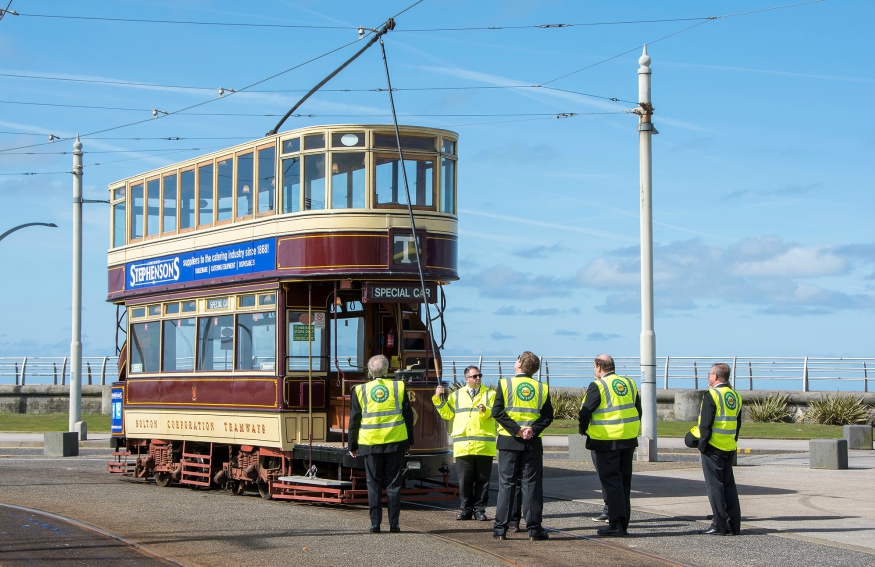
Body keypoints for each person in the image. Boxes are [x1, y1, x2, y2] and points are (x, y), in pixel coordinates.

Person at [348, 354, 414, 533]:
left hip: (370, 443)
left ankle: (375, 524)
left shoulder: (359, 390)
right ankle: (394, 524)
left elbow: (354, 420)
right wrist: (410, 442)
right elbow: (408, 416)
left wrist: (352, 445)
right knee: (394, 484)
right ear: (387, 370)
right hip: (396, 441)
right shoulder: (398, 386)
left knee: (373, 484)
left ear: (369, 371)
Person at [491, 351, 553, 541]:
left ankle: (501, 528)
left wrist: (517, 429)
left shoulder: (505, 383)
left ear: (519, 364)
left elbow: (497, 412)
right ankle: (534, 529)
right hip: (532, 442)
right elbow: (548, 416)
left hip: (509, 441)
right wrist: (532, 430)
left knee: (507, 485)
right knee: (531, 485)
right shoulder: (542, 387)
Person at [578, 354, 641, 537]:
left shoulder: (598, 385)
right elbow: (638, 409)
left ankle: (615, 524)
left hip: (606, 440)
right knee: (624, 483)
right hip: (628, 439)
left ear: (598, 367)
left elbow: (585, 412)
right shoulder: (629, 383)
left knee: (612, 483)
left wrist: (583, 430)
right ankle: (623, 523)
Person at [433, 365, 496, 521]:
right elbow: (447, 414)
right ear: (467, 378)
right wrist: (437, 398)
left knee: (483, 481)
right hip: (463, 446)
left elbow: (497, 413)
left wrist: (486, 411)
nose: (478, 378)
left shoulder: (490, 394)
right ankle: (466, 510)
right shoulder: (456, 395)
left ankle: (480, 510)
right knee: (465, 480)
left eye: (479, 375)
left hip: (483, 446)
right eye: (475, 376)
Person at [694, 363, 742, 536]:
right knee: (729, 487)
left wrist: (702, 445)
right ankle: (734, 524)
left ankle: (719, 525)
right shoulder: (735, 396)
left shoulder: (712, 395)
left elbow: (705, 425)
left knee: (714, 487)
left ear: (715, 376)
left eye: (709, 374)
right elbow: (737, 424)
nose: (708, 377)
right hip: (729, 446)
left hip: (713, 447)